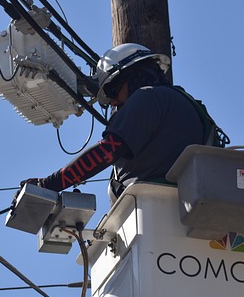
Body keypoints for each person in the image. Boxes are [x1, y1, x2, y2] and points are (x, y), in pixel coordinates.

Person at [21, 43, 224, 200]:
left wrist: (49, 184)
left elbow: (106, 152)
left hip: (160, 210)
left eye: (112, 90)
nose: (114, 102)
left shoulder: (148, 97)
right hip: (184, 206)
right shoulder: (181, 103)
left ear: (133, 76)